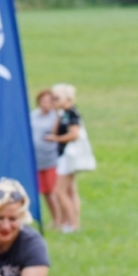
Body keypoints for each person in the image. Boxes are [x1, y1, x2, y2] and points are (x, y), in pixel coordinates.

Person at [51, 84, 86, 233]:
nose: (53, 101)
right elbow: (54, 130)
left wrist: (57, 139)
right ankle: (70, 222)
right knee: (70, 190)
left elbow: (74, 134)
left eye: (56, 98)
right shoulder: (63, 114)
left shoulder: (72, 114)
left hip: (68, 155)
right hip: (63, 156)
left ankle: (72, 224)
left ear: (67, 99)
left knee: (60, 191)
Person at [30, 89, 62, 227]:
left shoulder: (56, 117)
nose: (46, 104)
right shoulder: (33, 115)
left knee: (51, 191)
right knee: (39, 192)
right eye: (43, 101)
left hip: (50, 158)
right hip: (35, 159)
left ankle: (58, 220)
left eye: (49, 101)